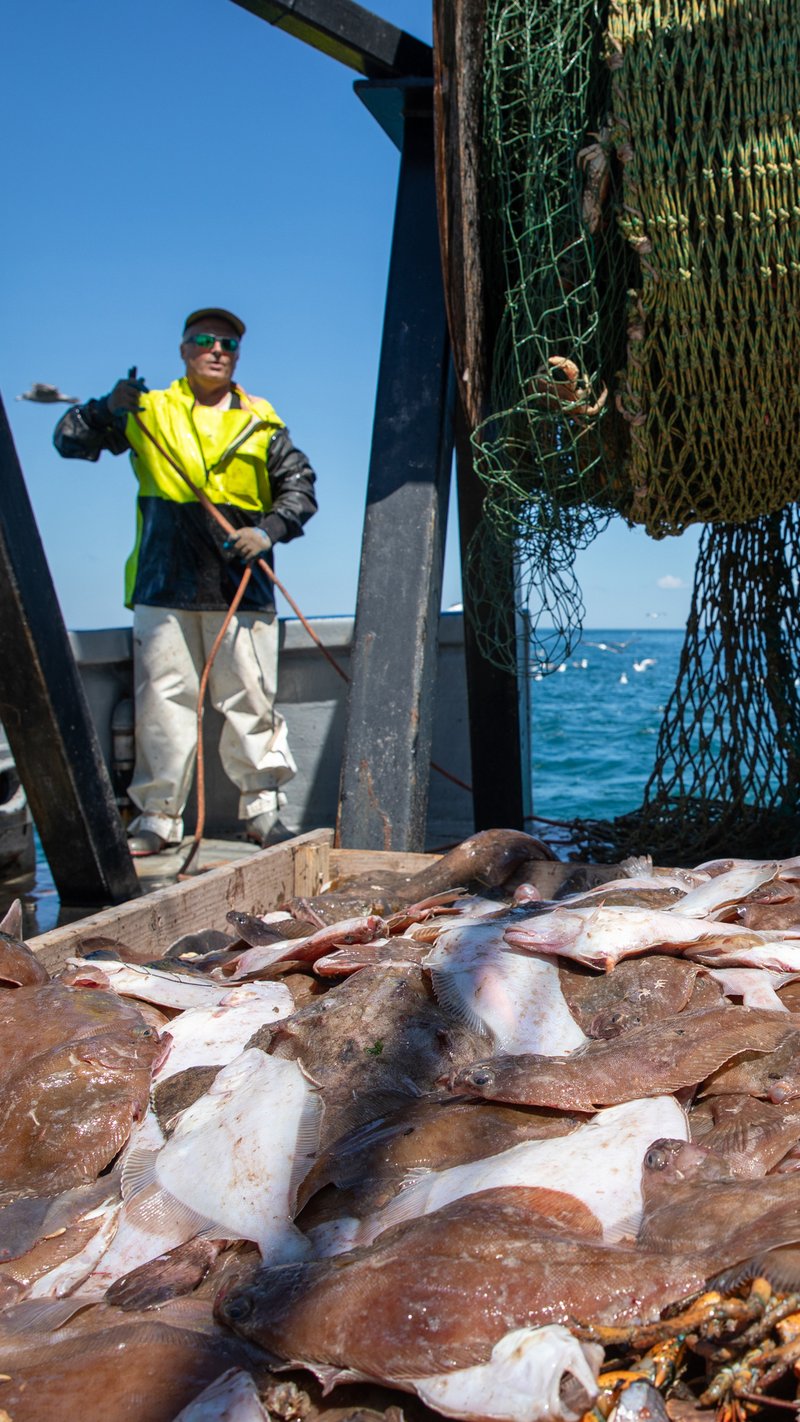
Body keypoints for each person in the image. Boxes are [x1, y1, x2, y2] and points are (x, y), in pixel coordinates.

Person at [54, 307, 318, 855]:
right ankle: (157, 817)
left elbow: (301, 490)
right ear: (183, 350)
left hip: (241, 587)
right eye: (204, 340)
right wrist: (106, 407)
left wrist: (266, 532)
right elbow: (70, 440)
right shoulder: (145, 409)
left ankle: (264, 813)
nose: (216, 349)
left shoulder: (262, 419)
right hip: (163, 584)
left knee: (251, 700)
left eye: (227, 343)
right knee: (163, 702)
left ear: (237, 355)